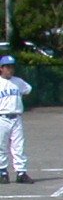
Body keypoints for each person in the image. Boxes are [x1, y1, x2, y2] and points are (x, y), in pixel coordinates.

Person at [0, 54, 33, 184]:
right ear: (1, 68)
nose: (10, 69)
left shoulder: (18, 81)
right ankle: (3, 172)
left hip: (17, 117)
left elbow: (28, 90)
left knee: (18, 146)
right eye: (7, 67)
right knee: (1, 146)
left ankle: (21, 172)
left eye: (12, 67)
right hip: (2, 118)